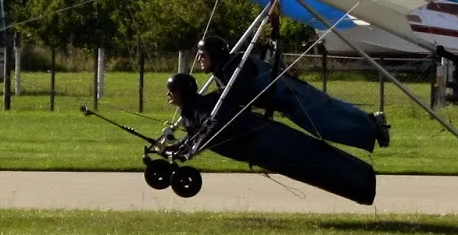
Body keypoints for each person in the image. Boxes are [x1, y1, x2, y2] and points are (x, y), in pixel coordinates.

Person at [162, 36, 378, 206]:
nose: (199, 58)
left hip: (280, 110)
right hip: (262, 127)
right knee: (305, 162)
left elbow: (224, 113)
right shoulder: (219, 79)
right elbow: (218, 112)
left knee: (321, 131)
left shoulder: (233, 70)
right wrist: (181, 145)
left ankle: (369, 132)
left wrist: (201, 135)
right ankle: (362, 179)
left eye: (203, 54)